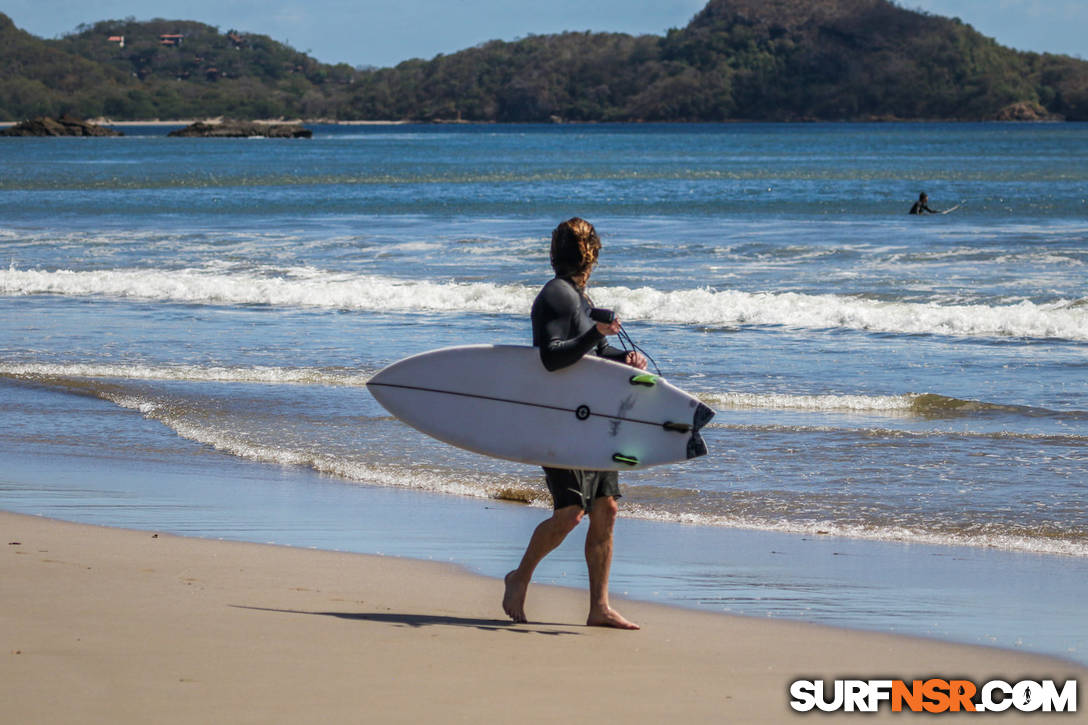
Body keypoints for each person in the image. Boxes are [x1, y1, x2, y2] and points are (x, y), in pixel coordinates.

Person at [502, 217, 646, 630]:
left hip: (590, 417)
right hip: (558, 420)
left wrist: (624, 358)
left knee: (607, 508)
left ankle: (598, 607)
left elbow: (595, 351)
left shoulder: (581, 299)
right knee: (570, 513)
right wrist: (594, 337)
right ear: (592, 253)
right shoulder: (555, 296)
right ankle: (520, 576)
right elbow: (551, 356)